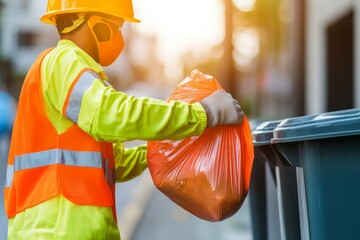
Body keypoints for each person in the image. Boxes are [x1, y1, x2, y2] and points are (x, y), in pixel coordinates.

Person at [4, 0, 245, 239]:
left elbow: (113, 163)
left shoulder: (79, 75)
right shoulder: (63, 62)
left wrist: (165, 148)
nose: (121, 36)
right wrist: (204, 113)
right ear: (95, 24)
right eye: (117, 26)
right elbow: (111, 114)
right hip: (58, 231)